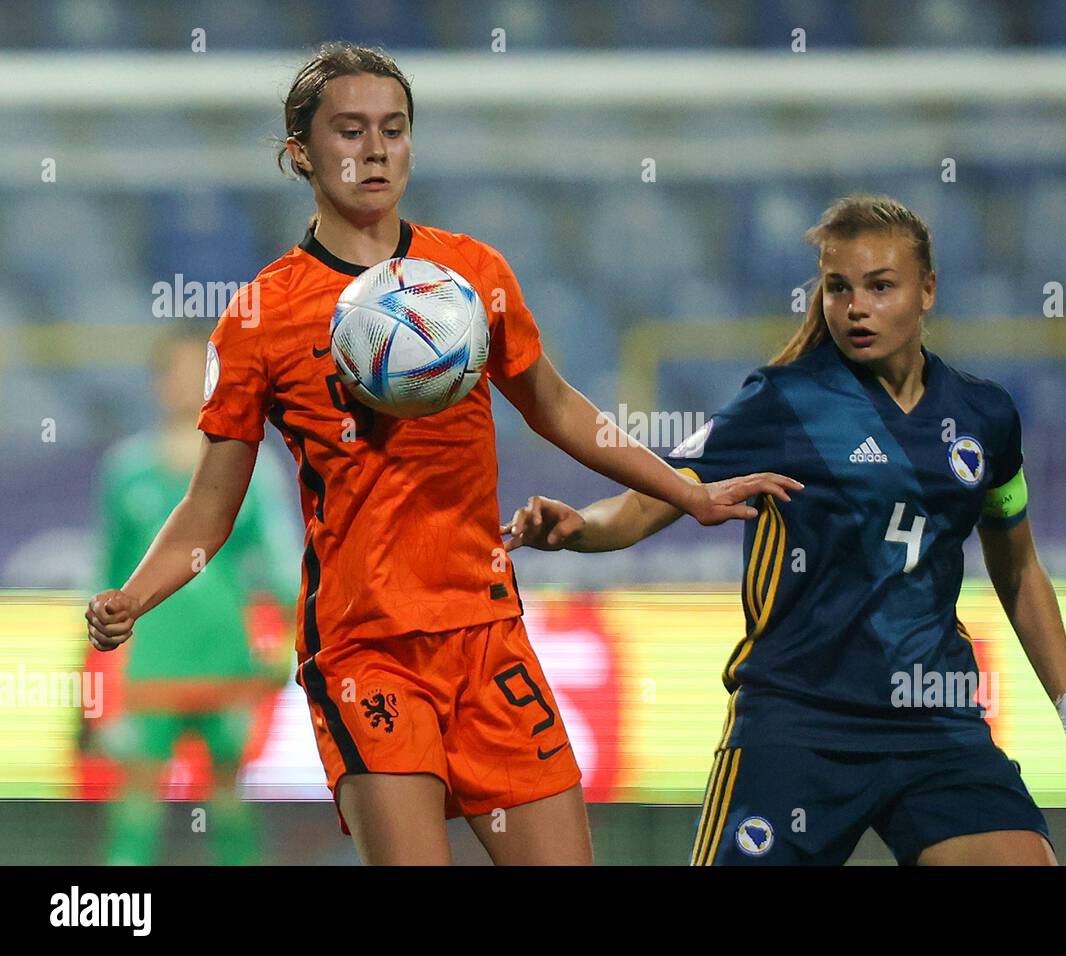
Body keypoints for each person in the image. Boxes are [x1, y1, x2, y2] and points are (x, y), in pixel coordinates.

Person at [83, 42, 799, 866]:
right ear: (300, 154)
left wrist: (686, 492)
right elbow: (211, 508)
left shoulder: (472, 274)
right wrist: (134, 598)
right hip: (366, 649)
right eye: (349, 131)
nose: (376, 149)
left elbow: (557, 408)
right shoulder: (259, 317)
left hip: (489, 635)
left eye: (394, 128)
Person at [502, 194, 1066, 865]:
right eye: (839, 288)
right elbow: (650, 502)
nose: (856, 307)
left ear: (928, 290)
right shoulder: (782, 403)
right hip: (796, 727)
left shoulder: (986, 418)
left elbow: (1019, 570)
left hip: (936, 725)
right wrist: (577, 528)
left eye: (880, 287)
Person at [91, 325, 299, 865]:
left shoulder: (250, 468)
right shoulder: (126, 471)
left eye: (198, 371)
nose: (186, 383)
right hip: (153, 662)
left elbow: (279, 568)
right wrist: (99, 666)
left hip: (226, 659)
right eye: (175, 371)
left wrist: (288, 643)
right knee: (136, 800)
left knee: (228, 800)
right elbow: (108, 577)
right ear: (158, 383)